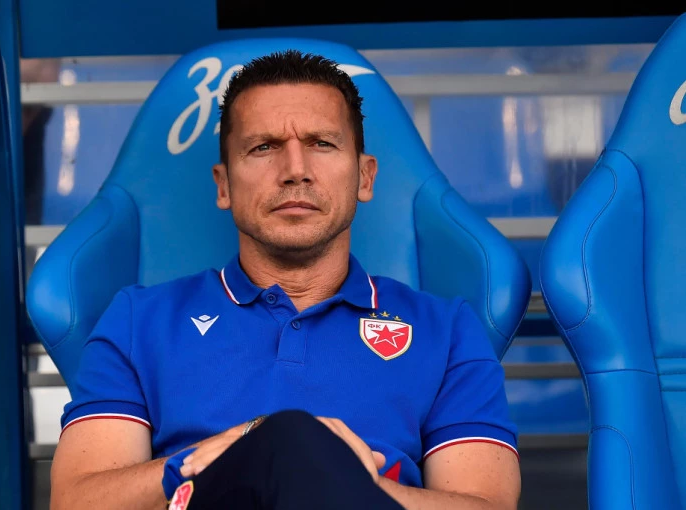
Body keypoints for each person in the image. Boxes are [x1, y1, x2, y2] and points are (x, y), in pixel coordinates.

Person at [49, 50, 521, 510]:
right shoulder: (139, 321)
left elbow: (487, 503)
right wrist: (244, 449)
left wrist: (329, 472)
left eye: (322, 143)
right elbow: (75, 501)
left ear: (365, 177)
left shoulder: (446, 332)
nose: (296, 171)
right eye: (263, 147)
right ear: (224, 185)